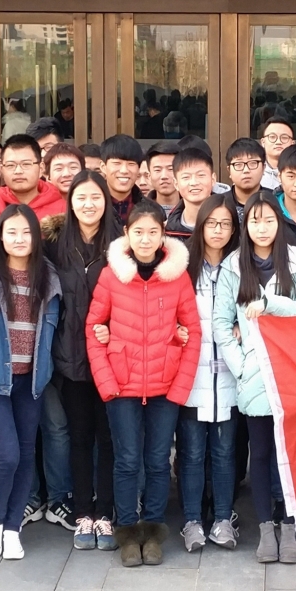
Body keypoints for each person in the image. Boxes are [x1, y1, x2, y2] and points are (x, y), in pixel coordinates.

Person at [87, 202, 203, 568]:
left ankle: (152, 533)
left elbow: (193, 332)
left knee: (157, 461)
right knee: (126, 461)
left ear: (163, 235)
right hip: (121, 387)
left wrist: (180, 387)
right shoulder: (112, 276)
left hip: (165, 387)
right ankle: (127, 532)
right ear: (127, 234)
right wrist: (107, 383)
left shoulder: (177, 277)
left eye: (153, 232)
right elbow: (93, 329)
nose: (145, 239)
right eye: (138, 231)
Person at [213, 197, 296, 564]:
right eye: (255, 221)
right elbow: (221, 324)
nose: (262, 228)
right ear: (246, 226)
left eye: (269, 220)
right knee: (259, 454)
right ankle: (265, 528)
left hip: (291, 372)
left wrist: (272, 303)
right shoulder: (233, 266)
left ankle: (290, 525)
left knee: (287, 453)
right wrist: (241, 366)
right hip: (254, 374)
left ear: (280, 223)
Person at [0, 204, 62, 561]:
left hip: (32, 381)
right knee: (7, 454)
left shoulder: (49, 279)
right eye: (11, 232)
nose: (19, 239)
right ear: (0, 237)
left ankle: (12, 529)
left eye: (26, 232)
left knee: (25, 455)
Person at [51, 171, 122, 551]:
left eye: (96, 197)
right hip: (71, 357)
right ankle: (83, 513)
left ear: (106, 201)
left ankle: (106, 513)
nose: (88, 204)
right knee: (79, 437)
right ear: (71, 202)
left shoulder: (122, 245)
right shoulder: (55, 245)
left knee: (108, 438)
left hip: (113, 358)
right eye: (81, 197)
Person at [178, 192, 242, 553]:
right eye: (212, 223)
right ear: (200, 227)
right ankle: (191, 521)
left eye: (225, 224)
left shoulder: (241, 267)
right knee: (190, 452)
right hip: (192, 375)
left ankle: (222, 519)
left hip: (230, 375)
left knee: (225, 451)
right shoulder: (183, 267)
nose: (218, 230)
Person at [0, 135, 67, 219]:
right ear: (2, 169)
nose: (18, 171)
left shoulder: (62, 209)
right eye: (10, 165)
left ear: (41, 168)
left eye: (26, 164)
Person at [163, 145, 218, 239]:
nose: (194, 183)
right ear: (176, 184)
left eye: (201, 175)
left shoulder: (231, 221)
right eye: (186, 177)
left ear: (213, 179)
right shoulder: (167, 231)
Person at [99, 134, 148, 224]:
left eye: (131, 164)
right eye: (117, 163)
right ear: (103, 166)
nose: (124, 170)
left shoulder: (152, 209)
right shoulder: (91, 207)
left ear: (139, 168)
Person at [226, 137, 268, 207]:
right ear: (229, 170)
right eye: (238, 164)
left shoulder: (276, 201)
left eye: (253, 163)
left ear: (263, 168)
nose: (246, 170)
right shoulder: (219, 205)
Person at [257, 116, 296, 190]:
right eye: (272, 137)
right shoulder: (254, 170)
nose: (278, 142)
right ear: (263, 142)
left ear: (292, 143)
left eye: (284, 137)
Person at [144, 143, 180, 213]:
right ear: (149, 176)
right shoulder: (139, 211)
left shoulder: (194, 208)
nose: (164, 176)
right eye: (158, 170)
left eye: (170, 169)